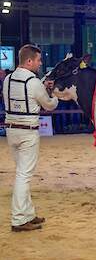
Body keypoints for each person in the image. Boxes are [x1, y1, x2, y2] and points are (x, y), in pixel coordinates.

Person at [3, 44, 58, 232]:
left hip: (11, 130)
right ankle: (18, 219)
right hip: (28, 132)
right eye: (38, 60)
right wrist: (53, 93)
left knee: (21, 172)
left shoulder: (7, 79)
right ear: (29, 61)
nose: (40, 63)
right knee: (23, 175)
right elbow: (49, 105)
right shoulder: (33, 82)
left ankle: (27, 214)